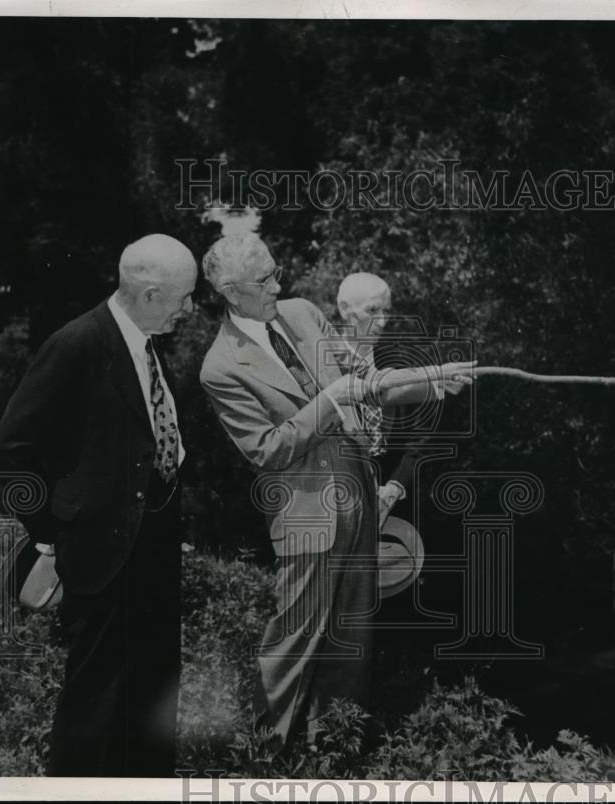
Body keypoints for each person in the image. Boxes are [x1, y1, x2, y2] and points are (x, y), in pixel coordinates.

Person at [198, 233, 473, 745]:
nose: (279, 284)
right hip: (305, 513)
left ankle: (336, 749)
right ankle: (266, 756)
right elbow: (268, 449)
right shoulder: (220, 367)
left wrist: (435, 379)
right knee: (294, 640)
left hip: (360, 499)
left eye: (277, 270)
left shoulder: (301, 313)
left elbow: (367, 381)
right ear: (231, 293)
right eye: (266, 280)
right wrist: (330, 399)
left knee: (352, 637)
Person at [0, 234, 197, 777]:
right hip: (98, 553)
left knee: (152, 690)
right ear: (151, 294)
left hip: (149, 545)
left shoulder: (146, 344)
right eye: (183, 297)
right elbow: (9, 449)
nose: (189, 309)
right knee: (97, 700)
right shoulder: (77, 344)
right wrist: (47, 535)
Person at [336, 271, 469, 528]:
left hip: (394, 498)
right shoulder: (321, 362)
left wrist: (397, 484)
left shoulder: (400, 362)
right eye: (373, 310)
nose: (382, 321)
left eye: (386, 311)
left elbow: (422, 433)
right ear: (344, 310)